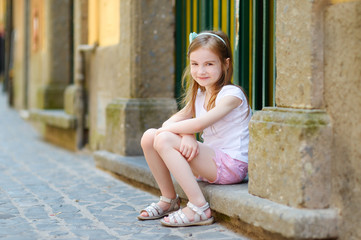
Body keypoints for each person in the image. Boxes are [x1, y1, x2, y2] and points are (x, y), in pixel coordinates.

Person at [137, 30, 251, 227]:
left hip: (232, 165)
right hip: (211, 162)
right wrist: (187, 134)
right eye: (195, 64)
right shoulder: (199, 96)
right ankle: (169, 199)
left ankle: (200, 207)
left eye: (209, 64)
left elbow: (198, 124)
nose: (201, 71)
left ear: (225, 64)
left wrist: (187, 132)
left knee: (163, 139)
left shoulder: (232, 95)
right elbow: (168, 124)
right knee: (149, 136)